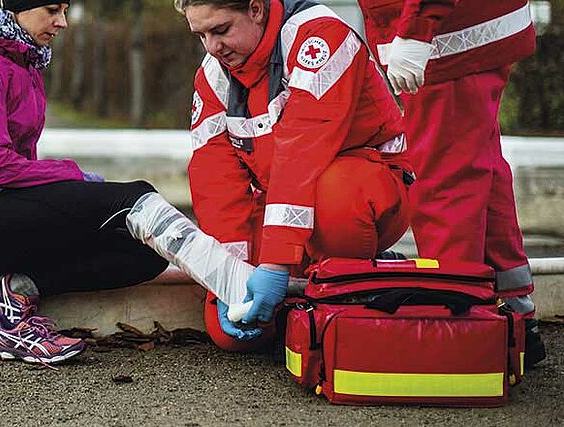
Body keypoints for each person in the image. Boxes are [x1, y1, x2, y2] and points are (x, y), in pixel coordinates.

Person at [0, 0, 169, 364]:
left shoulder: (25, 62)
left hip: (16, 210)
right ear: (13, 7)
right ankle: (13, 321)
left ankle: (14, 292)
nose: (62, 22)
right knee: (135, 197)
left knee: (150, 252)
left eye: (64, 10)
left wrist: (68, 195)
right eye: (51, 10)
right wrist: (73, 176)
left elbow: (22, 168)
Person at [176, 0, 414, 350]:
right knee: (227, 332)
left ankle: (352, 288)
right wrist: (228, 277)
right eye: (202, 35)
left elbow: (303, 152)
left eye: (221, 30)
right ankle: (318, 305)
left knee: (336, 198)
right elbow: (216, 184)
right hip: (285, 203)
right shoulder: (213, 76)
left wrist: (274, 262)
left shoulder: (318, 38)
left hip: (364, 188)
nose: (213, 47)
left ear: (255, 9)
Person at [357, 0, 546, 367]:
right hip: (458, 33)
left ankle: (459, 327)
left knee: (445, 185)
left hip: (444, 41)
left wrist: (415, 30)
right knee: (482, 170)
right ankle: (514, 317)